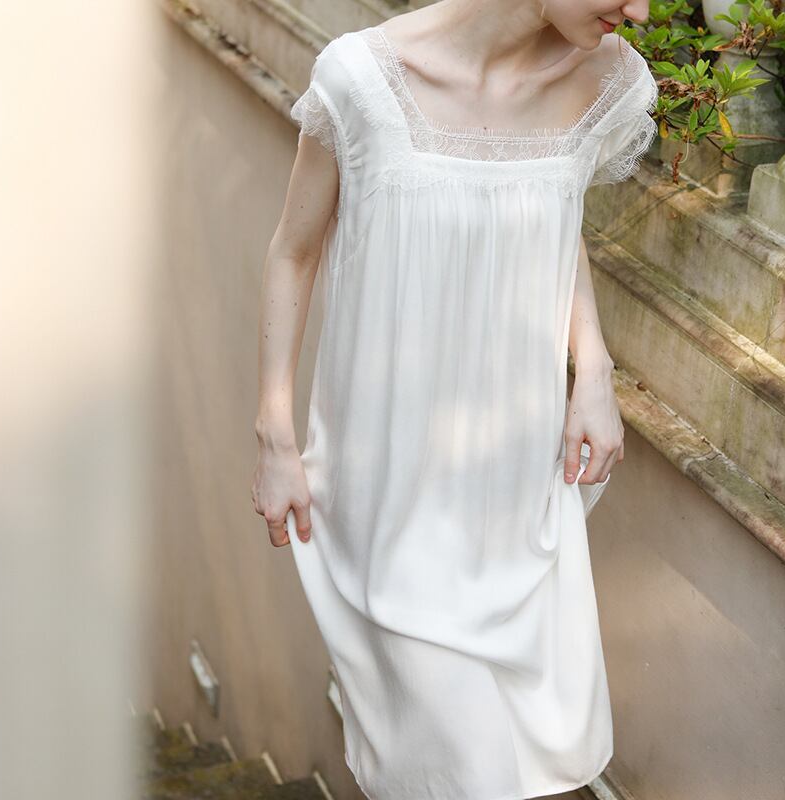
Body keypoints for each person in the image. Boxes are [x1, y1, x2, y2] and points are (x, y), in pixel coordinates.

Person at [253, 1, 657, 797]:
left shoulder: (604, 78)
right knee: (469, 771)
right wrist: (274, 434)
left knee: (515, 771)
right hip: (392, 510)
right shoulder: (361, 81)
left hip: (516, 501)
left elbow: (549, 214)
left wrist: (595, 370)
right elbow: (293, 252)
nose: (639, 12)